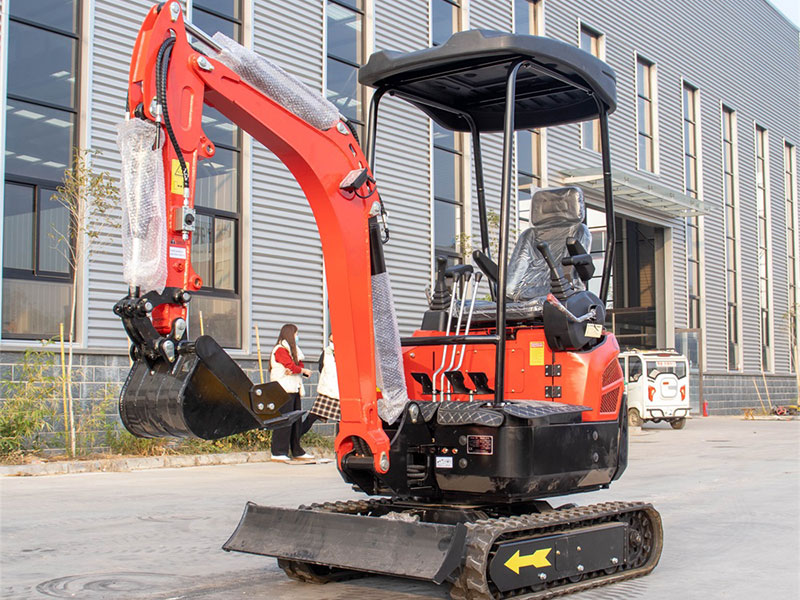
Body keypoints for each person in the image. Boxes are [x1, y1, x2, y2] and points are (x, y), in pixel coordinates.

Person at [269, 324, 313, 461]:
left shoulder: (292, 350)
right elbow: (291, 366)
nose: (297, 337)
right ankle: (278, 452)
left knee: (296, 421)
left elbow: (297, 365)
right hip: (283, 390)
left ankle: (297, 450)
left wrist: (297, 369)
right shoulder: (280, 350)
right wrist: (299, 370)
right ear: (289, 334)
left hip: (294, 388)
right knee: (284, 421)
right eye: (296, 334)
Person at [307, 334, 340, 427]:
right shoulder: (326, 352)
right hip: (327, 390)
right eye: (330, 341)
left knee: (344, 421)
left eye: (334, 341)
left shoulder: (346, 353)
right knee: (312, 417)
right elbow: (320, 367)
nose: (332, 343)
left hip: (341, 393)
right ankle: (295, 439)